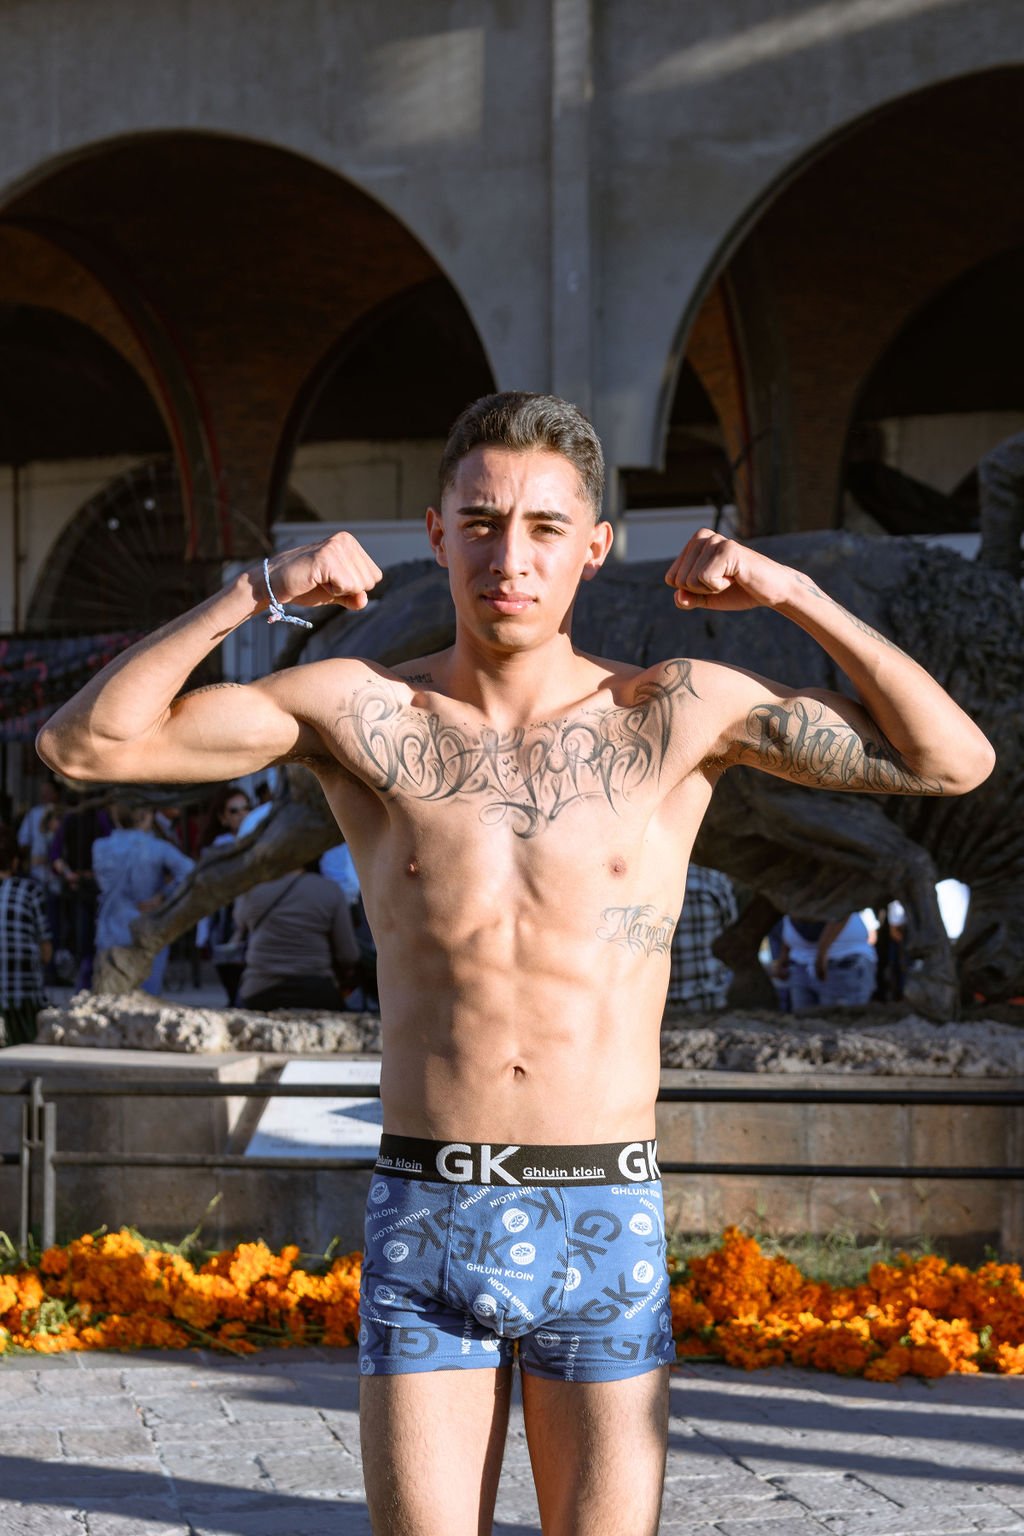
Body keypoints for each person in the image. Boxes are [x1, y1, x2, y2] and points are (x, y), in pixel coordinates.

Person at [36, 392, 995, 1535]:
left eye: (545, 527)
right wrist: (262, 591)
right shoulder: (363, 711)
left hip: (605, 1212)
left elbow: (952, 761)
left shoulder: (672, 713)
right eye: (482, 521)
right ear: (436, 535)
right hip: (427, 1210)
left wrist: (788, 591)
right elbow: (84, 745)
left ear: (594, 550)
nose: (511, 556)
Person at [92, 804, 194, 995]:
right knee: (146, 1000)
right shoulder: (158, 847)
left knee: (109, 1000)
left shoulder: (99, 847)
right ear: (148, 816)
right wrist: (164, 895)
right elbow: (190, 871)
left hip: (109, 928)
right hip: (146, 928)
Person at [233, 859, 359, 1011]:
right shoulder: (330, 890)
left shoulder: (252, 890)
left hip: (258, 989)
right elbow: (349, 955)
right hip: (316, 989)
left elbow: (240, 925)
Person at [195, 784, 252, 1003]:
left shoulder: (265, 843)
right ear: (223, 818)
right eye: (234, 811)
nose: (242, 814)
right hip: (225, 920)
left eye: (246, 808)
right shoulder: (217, 849)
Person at [0, 823, 52, 1045]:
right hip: (24, 993)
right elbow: (46, 951)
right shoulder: (30, 891)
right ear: (14, 862)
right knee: (26, 1043)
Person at [665, 863, 738, 1011]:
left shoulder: (649, 880)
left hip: (662, 1003)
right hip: (710, 996)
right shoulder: (714, 879)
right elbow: (731, 925)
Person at [773, 911, 878, 1011]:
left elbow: (842, 913)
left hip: (843, 964)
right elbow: (791, 921)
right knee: (803, 1021)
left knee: (840, 1021)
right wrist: (783, 956)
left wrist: (822, 953)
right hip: (800, 965)